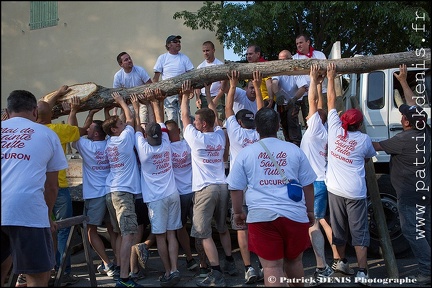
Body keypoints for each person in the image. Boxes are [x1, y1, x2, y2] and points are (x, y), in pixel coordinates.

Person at [226, 107, 316, 287]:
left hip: (261, 217)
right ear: (278, 126)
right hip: (294, 215)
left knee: (272, 267)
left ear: (257, 129)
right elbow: (308, 184)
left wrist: (237, 213)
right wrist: (310, 211)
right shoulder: (294, 150)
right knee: (295, 262)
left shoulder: (246, 154)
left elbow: (235, 188)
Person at [1, 90, 68, 287]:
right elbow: (52, 186)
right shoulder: (47, 134)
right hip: (27, 210)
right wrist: (47, 216)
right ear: (34, 112)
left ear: (7, 111)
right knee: (38, 276)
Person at [372, 64, 431, 285]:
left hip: (409, 195)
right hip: (425, 191)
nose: (402, 114)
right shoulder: (423, 131)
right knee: (427, 230)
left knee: (413, 232)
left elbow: (374, 145)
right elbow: (413, 104)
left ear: (405, 122)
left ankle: (426, 270)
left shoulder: (401, 140)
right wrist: (404, 81)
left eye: (403, 114)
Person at [180, 80, 236, 287]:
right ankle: (230, 262)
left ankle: (216, 273)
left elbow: (184, 117)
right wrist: (206, 95)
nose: (194, 123)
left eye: (197, 121)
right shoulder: (220, 135)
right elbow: (214, 115)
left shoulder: (197, 138)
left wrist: (185, 95)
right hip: (223, 186)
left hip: (205, 189)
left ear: (203, 125)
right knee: (222, 228)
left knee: (203, 234)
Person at [325, 63, 376, 283]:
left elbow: (330, 102)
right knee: (359, 231)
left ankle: (342, 262)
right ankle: (363, 271)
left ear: (344, 120)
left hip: (335, 189)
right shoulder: (364, 140)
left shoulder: (334, 130)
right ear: (359, 125)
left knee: (338, 228)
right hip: (355, 191)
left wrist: (330, 77)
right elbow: (367, 157)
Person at [130, 90, 183, 287]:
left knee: (160, 236)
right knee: (172, 234)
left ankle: (168, 271)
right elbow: (160, 121)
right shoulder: (167, 143)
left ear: (145, 136)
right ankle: (176, 269)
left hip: (156, 199)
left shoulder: (143, 149)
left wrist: (136, 107)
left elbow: (136, 126)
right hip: (173, 194)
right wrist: (154, 101)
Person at [36, 85, 86, 286]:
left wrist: (56, 93)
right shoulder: (58, 130)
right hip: (59, 187)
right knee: (63, 230)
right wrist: (73, 111)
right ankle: (63, 271)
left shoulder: (31, 131)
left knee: (42, 229)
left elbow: (43, 108)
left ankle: (43, 270)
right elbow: (79, 131)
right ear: (52, 115)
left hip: (37, 190)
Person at [69, 97, 120, 279]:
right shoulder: (109, 143)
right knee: (113, 230)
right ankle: (119, 262)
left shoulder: (86, 146)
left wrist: (74, 111)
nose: (86, 129)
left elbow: (73, 131)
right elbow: (97, 128)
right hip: (110, 192)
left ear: (96, 134)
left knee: (90, 230)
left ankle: (107, 263)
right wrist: (95, 113)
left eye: (89, 128)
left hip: (94, 194)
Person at [300, 65, 341, 284]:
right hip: (322, 181)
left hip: (314, 183)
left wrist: (311, 79)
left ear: (316, 118)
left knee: (312, 224)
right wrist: (319, 82)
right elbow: (321, 105)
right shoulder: (324, 129)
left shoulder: (314, 127)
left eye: (312, 114)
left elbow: (313, 102)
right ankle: (338, 257)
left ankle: (321, 266)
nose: (308, 114)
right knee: (323, 221)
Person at [225, 70, 264, 284]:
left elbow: (229, 108)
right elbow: (260, 110)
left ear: (239, 122)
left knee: (241, 227)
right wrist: (257, 86)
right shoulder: (259, 133)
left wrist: (232, 85)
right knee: (259, 227)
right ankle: (264, 264)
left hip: (239, 189)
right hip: (257, 188)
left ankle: (249, 268)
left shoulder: (236, 133)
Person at [102, 92, 142, 287]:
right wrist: (122, 103)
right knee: (128, 235)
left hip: (111, 191)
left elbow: (119, 122)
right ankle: (125, 279)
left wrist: (110, 111)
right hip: (123, 193)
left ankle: (119, 268)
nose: (124, 125)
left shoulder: (110, 141)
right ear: (115, 130)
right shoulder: (124, 139)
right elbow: (131, 118)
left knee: (118, 233)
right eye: (120, 125)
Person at [164, 119, 210, 277]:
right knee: (198, 226)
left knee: (180, 227)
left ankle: (190, 258)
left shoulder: (166, 148)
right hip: (194, 190)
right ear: (179, 130)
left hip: (179, 194)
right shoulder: (188, 144)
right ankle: (203, 263)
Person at [153, 35, 194, 128]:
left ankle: (186, 140)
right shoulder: (162, 58)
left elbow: (191, 75)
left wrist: (191, 90)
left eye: (179, 42)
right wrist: (156, 93)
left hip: (182, 93)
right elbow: (156, 78)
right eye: (175, 42)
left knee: (185, 118)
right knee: (172, 120)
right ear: (168, 45)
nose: (178, 43)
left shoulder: (184, 58)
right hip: (168, 95)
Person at [272, 50, 308, 146]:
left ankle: (296, 143)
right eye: (280, 60)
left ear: (290, 59)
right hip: (282, 102)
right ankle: (288, 142)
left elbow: (303, 88)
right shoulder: (278, 71)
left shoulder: (296, 72)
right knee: (284, 123)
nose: (282, 63)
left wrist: (294, 98)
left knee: (292, 119)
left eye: (285, 60)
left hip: (294, 101)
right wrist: (277, 93)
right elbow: (274, 83)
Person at [293, 34, 328, 127]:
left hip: (322, 92)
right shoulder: (294, 58)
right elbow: (296, 77)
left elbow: (326, 71)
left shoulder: (319, 54)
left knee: (323, 120)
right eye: (297, 44)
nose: (299, 45)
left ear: (308, 42)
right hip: (306, 94)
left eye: (301, 42)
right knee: (310, 123)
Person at [113, 51, 154, 130]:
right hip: (127, 103)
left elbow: (150, 85)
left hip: (142, 101)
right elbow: (116, 95)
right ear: (121, 64)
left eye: (129, 58)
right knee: (124, 122)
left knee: (143, 123)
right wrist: (114, 112)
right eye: (126, 60)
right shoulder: (118, 76)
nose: (129, 60)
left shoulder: (140, 70)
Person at [194, 41, 226, 123]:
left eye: (207, 50)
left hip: (217, 96)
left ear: (213, 50)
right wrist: (197, 98)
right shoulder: (200, 67)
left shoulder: (220, 65)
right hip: (203, 98)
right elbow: (197, 87)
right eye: (204, 51)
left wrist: (216, 99)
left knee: (218, 121)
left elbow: (223, 86)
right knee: (204, 122)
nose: (205, 53)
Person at [245, 44, 274, 109]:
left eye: (250, 54)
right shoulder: (247, 68)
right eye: (247, 54)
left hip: (265, 99)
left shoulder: (265, 65)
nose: (248, 56)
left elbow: (268, 82)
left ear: (258, 54)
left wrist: (271, 98)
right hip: (253, 100)